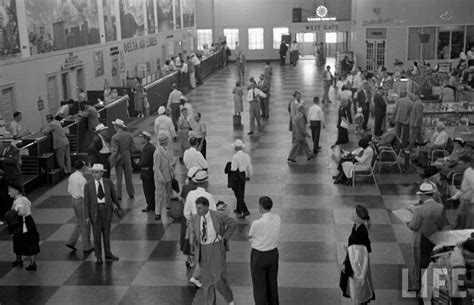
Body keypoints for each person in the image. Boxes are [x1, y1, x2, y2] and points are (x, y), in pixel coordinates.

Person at [189, 196, 237, 305]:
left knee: (218, 278)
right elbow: (192, 229)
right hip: (202, 250)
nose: (197, 210)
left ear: (207, 207)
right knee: (207, 282)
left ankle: (230, 299)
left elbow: (233, 223)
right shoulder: (195, 218)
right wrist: (192, 241)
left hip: (216, 247)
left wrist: (225, 237)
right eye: (197, 208)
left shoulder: (218, 215)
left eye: (200, 208)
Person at [407, 182, 446, 291]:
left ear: (423, 195)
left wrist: (408, 222)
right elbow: (441, 225)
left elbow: (413, 226)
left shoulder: (419, 210)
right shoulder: (440, 207)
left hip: (419, 240)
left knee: (417, 262)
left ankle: (416, 286)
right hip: (434, 239)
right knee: (431, 262)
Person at [84, 163, 121, 265]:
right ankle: (98, 256)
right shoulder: (88, 185)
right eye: (93, 172)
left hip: (106, 211)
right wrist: (87, 216)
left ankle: (108, 253)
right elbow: (86, 203)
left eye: (96, 172)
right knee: (96, 236)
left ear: (101, 173)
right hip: (95, 213)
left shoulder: (108, 182)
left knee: (106, 234)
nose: (94, 174)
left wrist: (118, 207)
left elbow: (114, 196)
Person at [248, 196, 281, 305]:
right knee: (272, 282)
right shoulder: (277, 218)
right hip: (273, 254)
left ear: (261, 207)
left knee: (259, 285)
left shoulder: (257, 223)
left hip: (259, 255)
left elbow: (250, 236)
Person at [340, 205, 375, 304]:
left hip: (357, 265)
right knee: (357, 290)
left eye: (354, 213)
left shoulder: (362, 231)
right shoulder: (355, 227)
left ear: (359, 217)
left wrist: (348, 264)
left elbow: (362, 251)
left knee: (359, 290)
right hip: (354, 261)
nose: (352, 214)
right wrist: (349, 248)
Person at [8, 183, 40, 271]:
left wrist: (13, 214)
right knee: (31, 241)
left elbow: (21, 212)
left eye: (10, 191)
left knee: (17, 240)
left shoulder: (18, 201)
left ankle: (18, 259)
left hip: (21, 223)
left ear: (16, 191)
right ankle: (32, 263)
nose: (9, 193)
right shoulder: (25, 198)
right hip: (29, 221)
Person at [66, 160, 93, 253]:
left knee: (79, 222)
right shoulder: (82, 179)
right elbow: (85, 194)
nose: (86, 167)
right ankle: (86, 246)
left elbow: (69, 190)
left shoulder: (72, 176)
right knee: (85, 223)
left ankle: (71, 241)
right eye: (85, 166)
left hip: (73, 200)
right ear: (82, 168)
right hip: (81, 201)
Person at [109, 119, 135, 200]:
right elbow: (133, 148)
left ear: (116, 127)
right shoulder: (129, 135)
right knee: (129, 176)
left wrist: (111, 160)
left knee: (119, 178)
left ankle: (119, 195)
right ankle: (131, 193)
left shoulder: (114, 137)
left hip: (119, 158)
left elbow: (115, 151)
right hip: (127, 157)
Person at [180, 167, 200, 270]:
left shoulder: (185, 187)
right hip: (195, 217)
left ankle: (189, 259)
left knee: (187, 238)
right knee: (194, 239)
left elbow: (182, 200)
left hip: (186, 216)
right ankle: (194, 260)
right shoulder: (197, 188)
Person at [153, 133, 175, 220]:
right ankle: (157, 212)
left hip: (168, 174)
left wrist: (172, 172)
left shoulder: (166, 149)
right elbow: (156, 167)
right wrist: (161, 178)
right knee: (159, 194)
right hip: (160, 177)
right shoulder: (158, 152)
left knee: (169, 192)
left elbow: (169, 161)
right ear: (165, 142)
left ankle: (168, 205)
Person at [449, 155, 474, 229]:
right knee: (459, 221)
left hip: (469, 203)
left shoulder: (470, 173)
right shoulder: (467, 172)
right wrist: (454, 197)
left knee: (466, 224)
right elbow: (464, 188)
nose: (459, 166)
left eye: (461, 164)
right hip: (465, 201)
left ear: (467, 164)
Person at [230, 139, 253, 219]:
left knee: (238, 194)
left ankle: (245, 211)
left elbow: (233, 168)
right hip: (243, 175)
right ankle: (238, 209)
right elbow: (249, 167)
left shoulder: (235, 157)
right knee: (241, 193)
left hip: (237, 176)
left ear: (236, 148)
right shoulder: (246, 156)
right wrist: (249, 176)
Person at [135, 131, 156, 213]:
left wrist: (138, 162)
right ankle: (152, 205)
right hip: (150, 172)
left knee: (148, 191)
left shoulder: (147, 148)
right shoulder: (150, 146)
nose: (140, 139)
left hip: (147, 173)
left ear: (146, 139)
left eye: (141, 138)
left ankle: (150, 206)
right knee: (150, 190)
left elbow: (144, 162)